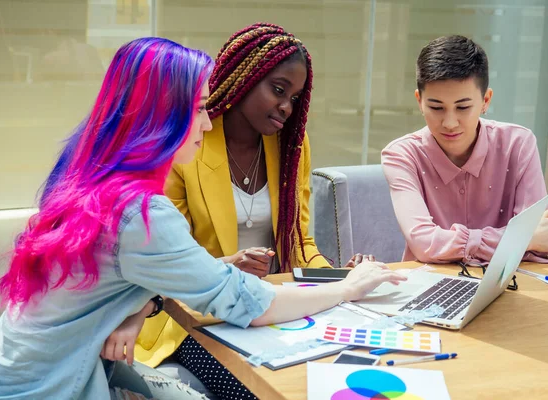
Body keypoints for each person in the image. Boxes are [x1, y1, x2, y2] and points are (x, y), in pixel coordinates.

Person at [0, 37, 406, 400]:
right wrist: (351, 286)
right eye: (199, 108)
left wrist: (213, 273)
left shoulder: (89, 180)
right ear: (160, 114)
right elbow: (247, 305)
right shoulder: (141, 214)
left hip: (16, 380)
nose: (206, 123)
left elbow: (149, 269)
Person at [128, 23, 376, 399]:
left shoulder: (291, 145)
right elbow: (174, 262)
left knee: (351, 375)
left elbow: (300, 241)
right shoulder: (189, 142)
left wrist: (341, 278)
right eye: (278, 90)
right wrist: (229, 263)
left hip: (273, 305)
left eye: (294, 97)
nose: (286, 107)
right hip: (193, 312)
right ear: (243, 78)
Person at [381, 35, 548, 265]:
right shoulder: (400, 155)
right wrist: (521, 238)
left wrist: (527, 238)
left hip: (511, 284)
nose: (449, 122)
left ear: (485, 100)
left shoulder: (518, 144)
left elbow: (543, 240)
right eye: (436, 107)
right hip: (432, 286)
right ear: (419, 101)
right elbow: (424, 244)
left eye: (463, 107)